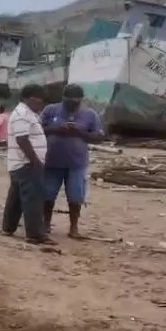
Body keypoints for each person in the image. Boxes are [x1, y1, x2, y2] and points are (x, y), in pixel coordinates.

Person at [41, 84, 104, 238]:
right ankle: (45, 224)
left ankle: (74, 227)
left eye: (75, 101)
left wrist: (80, 132)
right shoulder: (50, 110)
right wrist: (56, 129)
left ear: (81, 100)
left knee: (76, 197)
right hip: (52, 161)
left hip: (77, 163)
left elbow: (99, 138)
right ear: (62, 98)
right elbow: (37, 129)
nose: (72, 104)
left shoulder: (90, 115)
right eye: (69, 101)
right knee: (47, 195)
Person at [1, 83, 52, 244]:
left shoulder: (27, 113)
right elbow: (22, 139)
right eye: (39, 100)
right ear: (29, 98)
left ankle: (8, 227)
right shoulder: (22, 113)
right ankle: (35, 234)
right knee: (33, 199)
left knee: (16, 197)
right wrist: (35, 160)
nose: (41, 104)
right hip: (26, 163)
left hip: (20, 163)